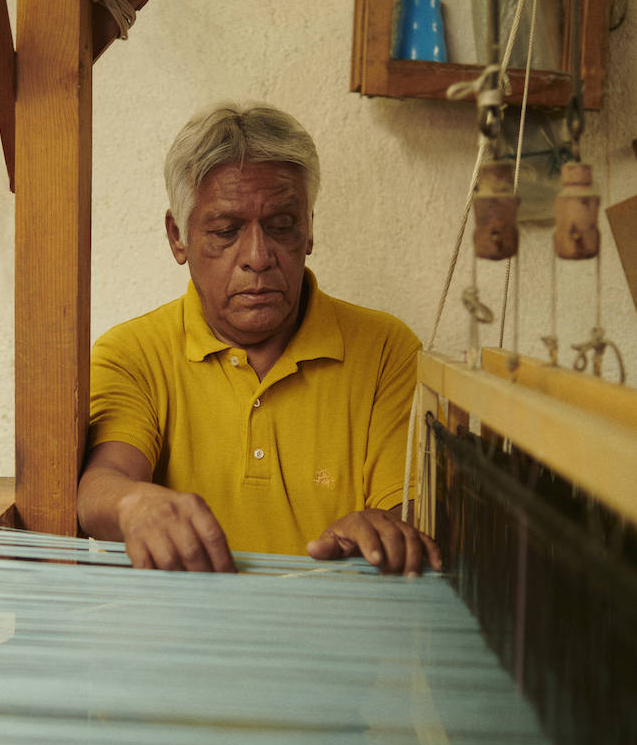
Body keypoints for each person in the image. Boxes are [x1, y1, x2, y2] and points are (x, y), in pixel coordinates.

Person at [78, 102, 441, 577]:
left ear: (308, 228)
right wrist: (133, 504)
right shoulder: (133, 355)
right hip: (181, 639)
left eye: (282, 226)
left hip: (338, 636)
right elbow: (103, 483)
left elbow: (407, 519)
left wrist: (378, 532)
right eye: (226, 231)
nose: (257, 256)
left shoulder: (386, 350)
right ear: (177, 237)